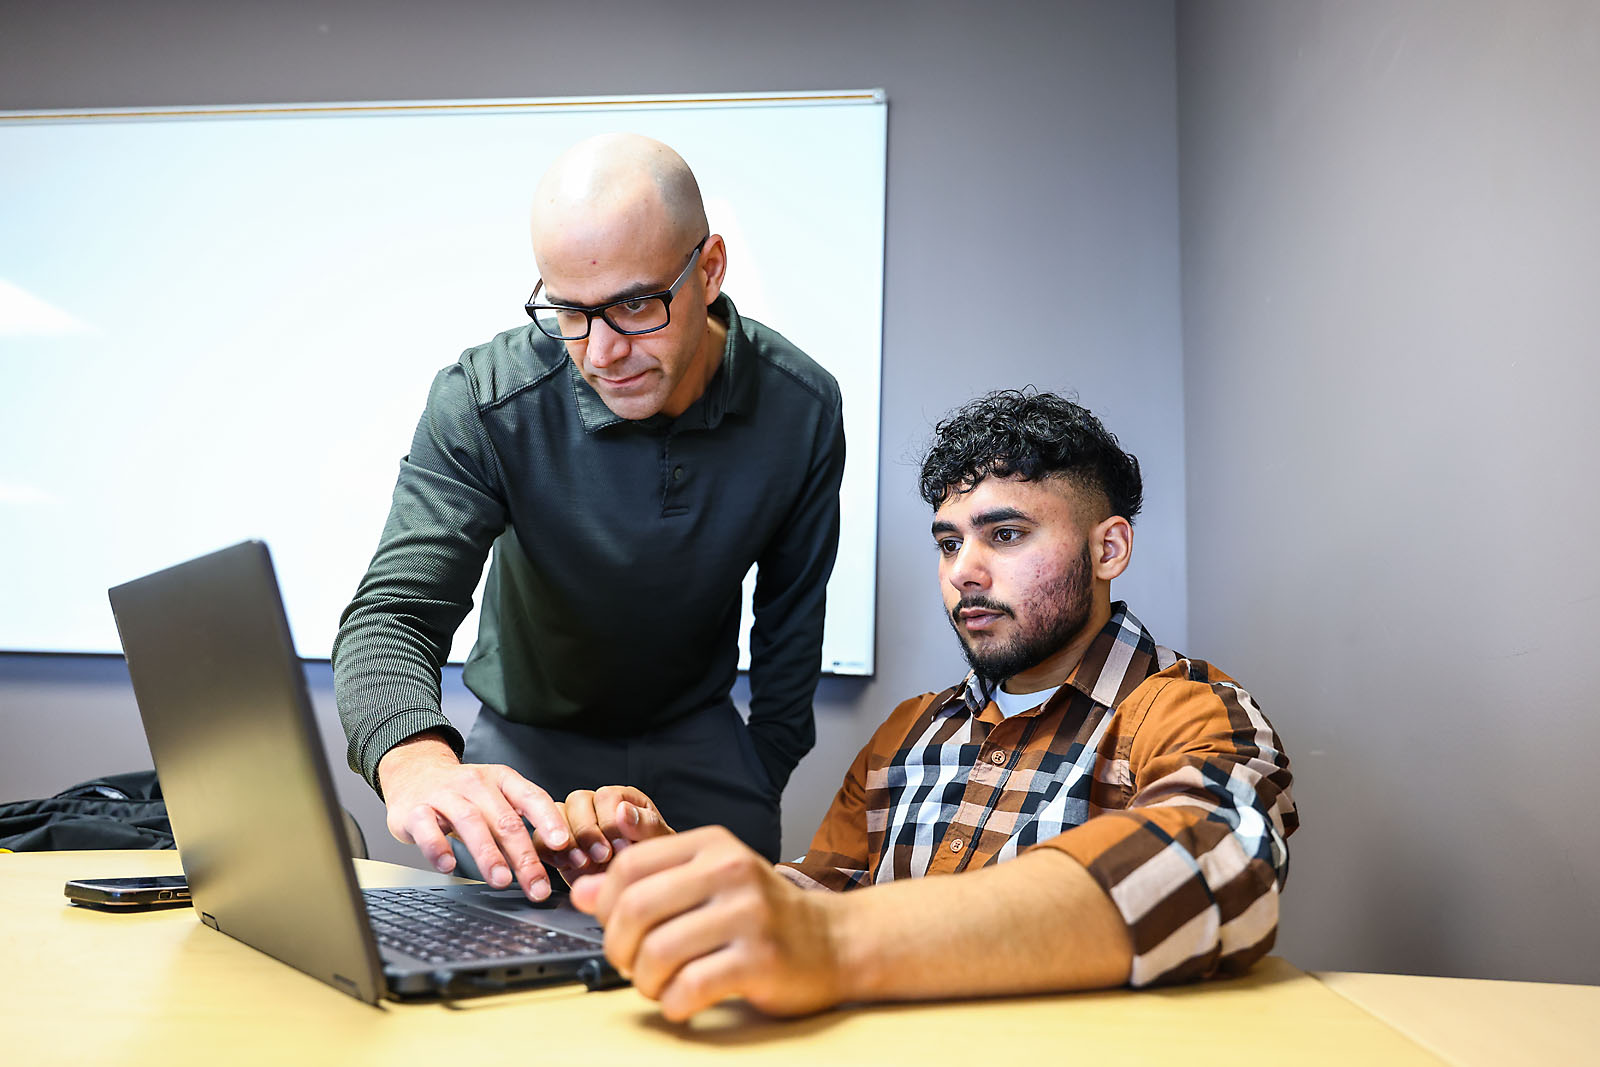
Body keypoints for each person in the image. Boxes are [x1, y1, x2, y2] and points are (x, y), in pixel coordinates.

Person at [554, 389, 1297, 1020]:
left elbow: (1223, 860)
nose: (963, 572)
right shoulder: (909, 730)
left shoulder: (1191, 707)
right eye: (948, 543)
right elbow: (819, 898)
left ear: (1108, 550)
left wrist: (836, 943)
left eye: (1005, 534)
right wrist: (673, 878)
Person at [331, 133, 845, 903]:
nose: (602, 351)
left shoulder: (801, 406)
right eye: (570, 311)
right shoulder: (485, 398)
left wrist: (759, 768)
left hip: (702, 741)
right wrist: (415, 758)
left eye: (636, 304)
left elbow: (791, 621)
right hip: (526, 746)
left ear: (709, 271)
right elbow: (393, 613)